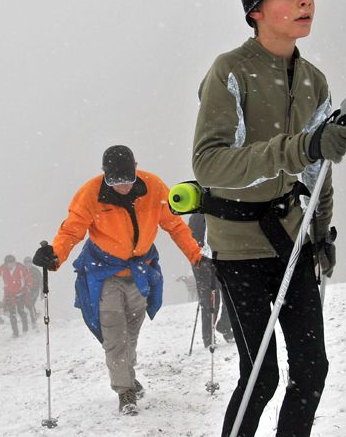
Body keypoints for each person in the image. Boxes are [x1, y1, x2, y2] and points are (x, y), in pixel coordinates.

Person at [191, 0, 346, 436]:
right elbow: (210, 164)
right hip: (239, 246)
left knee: (311, 370)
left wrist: (321, 232)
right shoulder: (231, 71)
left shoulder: (314, 80)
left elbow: (317, 168)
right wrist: (299, 147)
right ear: (256, 9)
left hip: (294, 238)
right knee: (260, 377)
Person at [32, 145, 201, 416]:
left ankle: (127, 376)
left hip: (140, 272)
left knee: (130, 335)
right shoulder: (90, 194)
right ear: (104, 174)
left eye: (128, 179)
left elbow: (175, 225)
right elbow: (72, 229)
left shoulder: (154, 187)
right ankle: (125, 392)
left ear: (136, 167)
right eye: (114, 181)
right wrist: (55, 256)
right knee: (114, 336)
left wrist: (196, 256)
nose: (122, 186)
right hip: (104, 274)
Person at [188, 212, 233, 348]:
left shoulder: (218, 212)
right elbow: (192, 242)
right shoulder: (196, 218)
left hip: (220, 262)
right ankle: (208, 338)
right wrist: (204, 256)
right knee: (210, 302)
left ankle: (224, 326)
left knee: (229, 297)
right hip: (202, 265)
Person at [0, 254, 33, 338]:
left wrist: (29, 285)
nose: (10, 265)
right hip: (9, 294)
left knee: (21, 311)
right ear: (6, 264)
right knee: (12, 313)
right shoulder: (3, 268)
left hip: (20, 293)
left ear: (15, 262)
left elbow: (28, 277)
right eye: (9, 264)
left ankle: (25, 328)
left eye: (12, 263)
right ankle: (15, 332)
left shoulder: (20, 268)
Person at [22, 256, 42, 329]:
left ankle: (33, 322)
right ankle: (35, 314)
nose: (27, 264)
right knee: (29, 305)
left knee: (30, 304)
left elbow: (41, 281)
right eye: (26, 263)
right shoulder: (22, 270)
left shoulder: (35, 271)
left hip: (34, 291)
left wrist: (42, 292)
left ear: (31, 263)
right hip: (26, 291)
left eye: (29, 263)